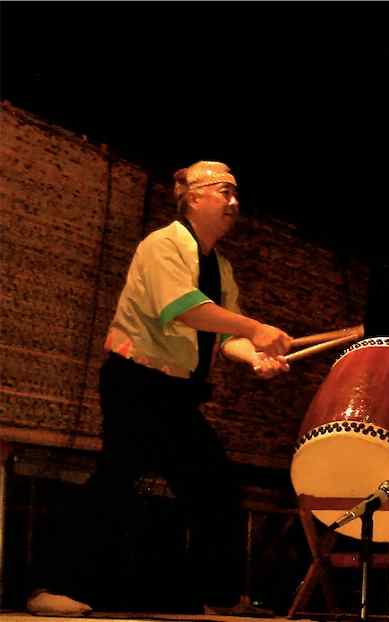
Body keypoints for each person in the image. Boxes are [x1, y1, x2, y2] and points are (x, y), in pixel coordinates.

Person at [27, 160, 293, 616]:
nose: (234, 202)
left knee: (213, 485)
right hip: (137, 381)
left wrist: (256, 357)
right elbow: (183, 307)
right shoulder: (162, 244)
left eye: (236, 194)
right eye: (223, 191)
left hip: (174, 393)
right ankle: (50, 586)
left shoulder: (221, 268)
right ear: (193, 197)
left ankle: (221, 596)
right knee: (117, 479)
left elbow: (226, 337)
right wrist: (256, 328)